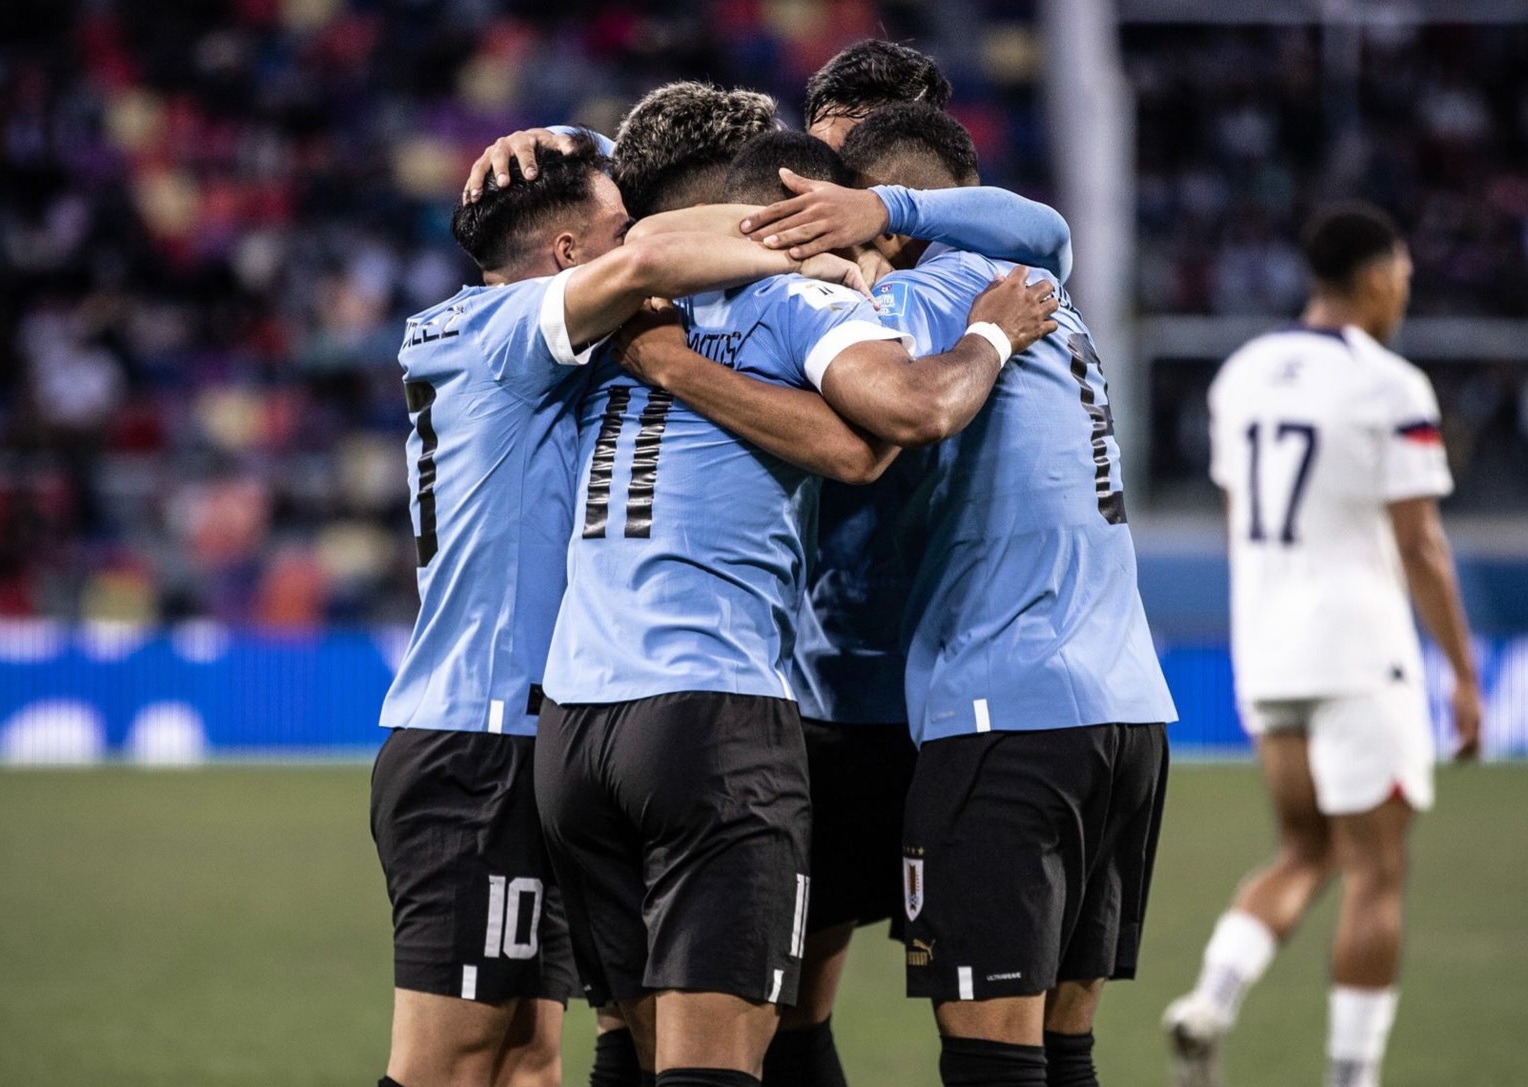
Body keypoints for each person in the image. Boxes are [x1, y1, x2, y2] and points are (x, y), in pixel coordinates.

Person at [533, 113, 1059, 1087]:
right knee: (719, 1066)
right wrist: (979, 327)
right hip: (709, 711)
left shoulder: (595, 307)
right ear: (790, 214)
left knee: (623, 1049)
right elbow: (887, 428)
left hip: (571, 725)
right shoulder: (791, 297)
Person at [370, 130, 880, 1087]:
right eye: (617, 228)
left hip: (548, 728)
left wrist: (577, 140)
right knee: (450, 1062)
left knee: (528, 1056)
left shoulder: (535, 338)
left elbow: (639, 233)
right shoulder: (505, 329)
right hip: (476, 739)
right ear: (570, 260)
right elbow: (650, 256)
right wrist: (820, 242)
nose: (644, 241)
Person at [1162, 202, 1483, 1087]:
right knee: (1377, 871)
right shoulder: (1391, 385)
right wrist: (1461, 670)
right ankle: (1352, 1078)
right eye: (1405, 281)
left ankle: (1212, 999)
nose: (1404, 297)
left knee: (1305, 848)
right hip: (1358, 650)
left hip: (1268, 645)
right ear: (1379, 278)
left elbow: (1241, 523)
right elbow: (1420, 543)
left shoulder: (1243, 375)